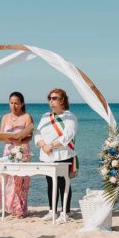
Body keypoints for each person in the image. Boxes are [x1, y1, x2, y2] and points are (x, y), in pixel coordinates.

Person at [0, 91, 34, 218]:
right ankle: (12, 208)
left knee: (20, 180)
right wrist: (9, 139)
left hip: (22, 150)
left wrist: (20, 140)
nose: (14, 106)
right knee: (7, 179)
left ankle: (20, 210)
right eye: (11, 103)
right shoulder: (5, 117)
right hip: (8, 150)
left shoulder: (27, 116)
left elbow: (30, 136)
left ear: (21, 104)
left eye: (16, 103)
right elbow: (1, 135)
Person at [34, 88, 78, 223]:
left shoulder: (70, 117)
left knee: (63, 184)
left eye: (54, 98)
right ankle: (52, 210)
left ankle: (65, 212)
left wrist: (51, 146)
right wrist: (42, 144)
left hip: (63, 155)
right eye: (50, 98)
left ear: (62, 100)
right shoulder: (45, 116)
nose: (51, 101)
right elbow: (38, 133)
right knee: (50, 184)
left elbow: (67, 136)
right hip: (47, 156)